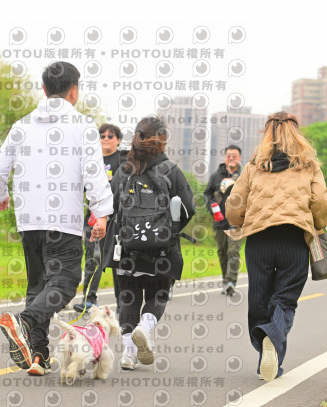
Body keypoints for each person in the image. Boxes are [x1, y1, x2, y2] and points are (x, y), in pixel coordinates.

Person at [0, 61, 113, 376]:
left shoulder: (22, 125)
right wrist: (101, 212)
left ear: (43, 89)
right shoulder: (83, 125)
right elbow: (94, 173)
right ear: (74, 91)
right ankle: (25, 322)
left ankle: (38, 356)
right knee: (65, 283)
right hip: (63, 221)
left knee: (38, 285)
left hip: (28, 220)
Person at [225, 111, 327, 382]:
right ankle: (273, 340)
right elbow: (321, 202)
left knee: (259, 299)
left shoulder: (254, 165)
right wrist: (318, 223)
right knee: (284, 299)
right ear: (297, 134)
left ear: (267, 134)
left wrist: (238, 221)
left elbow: (235, 203)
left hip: (259, 240)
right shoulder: (309, 166)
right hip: (293, 240)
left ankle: (266, 355)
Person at [102, 115, 195, 371]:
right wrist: (169, 231)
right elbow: (188, 208)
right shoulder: (171, 170)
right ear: (162, 140)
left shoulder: (124, 170)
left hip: (126, 246)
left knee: (128, 298)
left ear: (136, 137)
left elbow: (111, 206)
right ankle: (144, 327)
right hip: (161, 249)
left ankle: (128, 354)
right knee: (158, 294)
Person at [73, 124, 128, 314]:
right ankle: (89, 299)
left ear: (118, 140)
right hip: (94, 218)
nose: (105, 139)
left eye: (110, 136)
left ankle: (123, 302)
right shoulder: (91, 159)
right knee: (93, 258)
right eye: (102, 136)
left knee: (118, 260)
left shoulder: (124, 161)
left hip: (118, 219)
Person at [204, 145, 243, 296]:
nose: (231, 158)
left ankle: (231, 281)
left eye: (234, 156)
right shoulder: (216, 176)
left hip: (237, 221)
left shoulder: (244, 176)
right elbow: (207, 195)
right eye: (229, 155)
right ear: (225, 157)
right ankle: (225, 281)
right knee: (222, 251)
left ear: (239, 158)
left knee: (233, 250)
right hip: (219, 220)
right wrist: (212, 207)